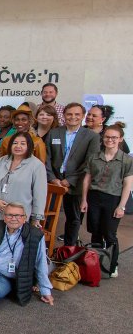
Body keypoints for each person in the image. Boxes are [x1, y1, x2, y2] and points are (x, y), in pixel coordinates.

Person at [81, 124, 132, 277]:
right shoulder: (94, 157)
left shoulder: (126, 160)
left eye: (114, 137)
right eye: (107, 137)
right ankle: (95, 263)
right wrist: (84, 200)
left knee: (110, 234)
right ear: (103, 138)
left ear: (120, 139)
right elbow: (87, 179)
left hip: (113, 199)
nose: (110, 140)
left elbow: (127, 185)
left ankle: (112, 264)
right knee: (95, 232)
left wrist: (121, 206)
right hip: (94, 197)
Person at [45, 103, 99, 245]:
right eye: (69, 114)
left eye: (77, 114)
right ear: (64, 115)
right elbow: (46, 158)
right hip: (54, 182)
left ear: (83, 116)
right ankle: (44, 248)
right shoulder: (54, 133)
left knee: (73, 219)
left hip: (75, 184)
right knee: (47, 215)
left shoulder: (91, 136)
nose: (73, 117)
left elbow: (89, 162)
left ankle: (69, 249)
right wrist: (52, 178)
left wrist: (70, 180)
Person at [0, 132, 47, 227]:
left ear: (29, 146)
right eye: (15, 143)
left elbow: (40, 195)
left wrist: (36, 218)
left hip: (18, 217)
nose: (18, 146)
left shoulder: (37, 165)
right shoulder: (1, 160)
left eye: (22, 143)